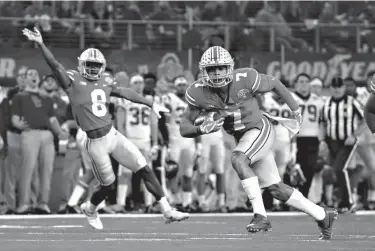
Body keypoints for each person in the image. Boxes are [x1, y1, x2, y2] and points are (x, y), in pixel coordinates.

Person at [22, 27, 189, 229]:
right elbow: (55, 65)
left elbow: (125, 92)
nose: (92, 69)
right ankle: (90, 208)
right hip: (95, 142)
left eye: (96, 66)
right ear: (82, 65)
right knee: (108, 186)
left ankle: (167, 210)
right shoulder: (72, 80)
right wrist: (40, 44)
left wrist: (150, 103)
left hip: (113, 135)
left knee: (144, 167)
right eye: (89, 65)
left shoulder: (106, 80)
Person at [180, 46, 337, 240]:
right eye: (212, 69)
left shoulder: (245, 78)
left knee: (238, 158)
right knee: (275, 189)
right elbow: (184, 127)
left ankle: (260, 215)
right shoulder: (198, 93)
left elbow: (274, 83)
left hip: (259, 129)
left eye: (221, 67)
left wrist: (295, 110)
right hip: (243, 137)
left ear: (229, 67)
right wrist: (201, 129)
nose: (217, 72)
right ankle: (322, 215)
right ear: (204, 71)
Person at [11, 68, 67, 214]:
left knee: (46, 171)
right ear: (25, 78)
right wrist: (18, 125)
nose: (34, 76)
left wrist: (60, 132)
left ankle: (42, 203)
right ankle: (24, 203)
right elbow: (15, 118)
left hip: (47, 135)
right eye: (30, 74)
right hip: (29, 133)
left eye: (36, 74)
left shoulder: (47, 99)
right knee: (28, 169)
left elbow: (52, 119)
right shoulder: (19, 97)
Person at [319, 77, 369, 213]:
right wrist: (322, 141)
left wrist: (354, 135)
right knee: (336, 171)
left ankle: (348, 202)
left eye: (339, 87)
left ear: (343, 88)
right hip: (331, 141)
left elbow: (366, 120)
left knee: (340, 169)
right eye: (334, 87)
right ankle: (342, 200)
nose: (336, 89)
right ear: (330, 88)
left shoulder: (352, 102)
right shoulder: (326, 103)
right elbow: (322, 123)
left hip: (347, 141)